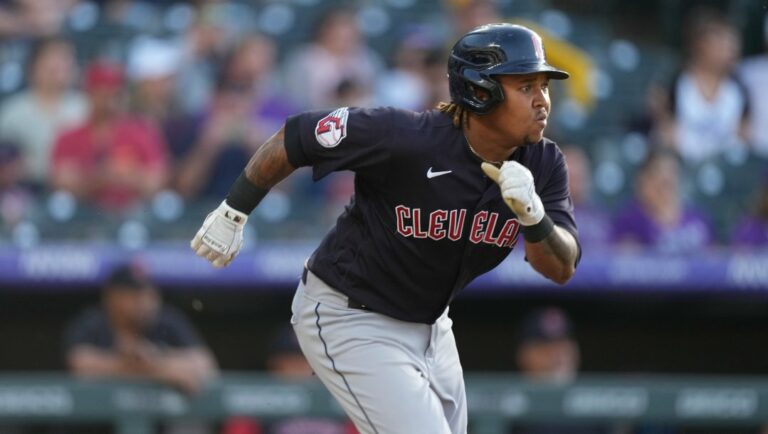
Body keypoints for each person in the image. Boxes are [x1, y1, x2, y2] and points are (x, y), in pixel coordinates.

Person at [192, 23, 580, 434]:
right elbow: (296, 137)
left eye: (544, 86)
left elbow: (560, 267)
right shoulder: (406, 137)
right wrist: (234, 211)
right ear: (480, 91)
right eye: (526, 87)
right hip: (350, 314)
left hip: (433, 324)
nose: (542, 101)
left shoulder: (544, 163)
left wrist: (534, 219)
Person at [64, 262, 218, 394]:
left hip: (159, 420)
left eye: (149, 294)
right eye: (133, 295)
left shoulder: (168, 321)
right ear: (111, 297)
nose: (144, 302)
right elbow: (80, 366)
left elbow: (206, 365)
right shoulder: (93, 322)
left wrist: (155, 358)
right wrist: (160, 370)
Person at [50, 61, 169, 213]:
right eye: (102, 92)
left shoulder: (141, 132)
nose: (108, 99)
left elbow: (156, 181)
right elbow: (61, 181)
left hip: (132, 214)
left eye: (115, 93)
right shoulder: (69, 136)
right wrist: (101, 177)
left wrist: (127, 176)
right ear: (89, 93)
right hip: (81, 218)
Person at [0, 37, 86, 188]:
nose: (59, 64)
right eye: (52, 58)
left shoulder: (86, 107)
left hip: (80, 191)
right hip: (26, 190)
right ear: (33, 66)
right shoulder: (13, 111)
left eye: (65, 59)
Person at [612, 150, 714, 253]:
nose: (667, 178)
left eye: (672, 172)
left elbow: (714, 259)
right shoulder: (631, 220)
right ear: (644, 179)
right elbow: (627, 261)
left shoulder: (697, 217)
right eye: (659, 172)